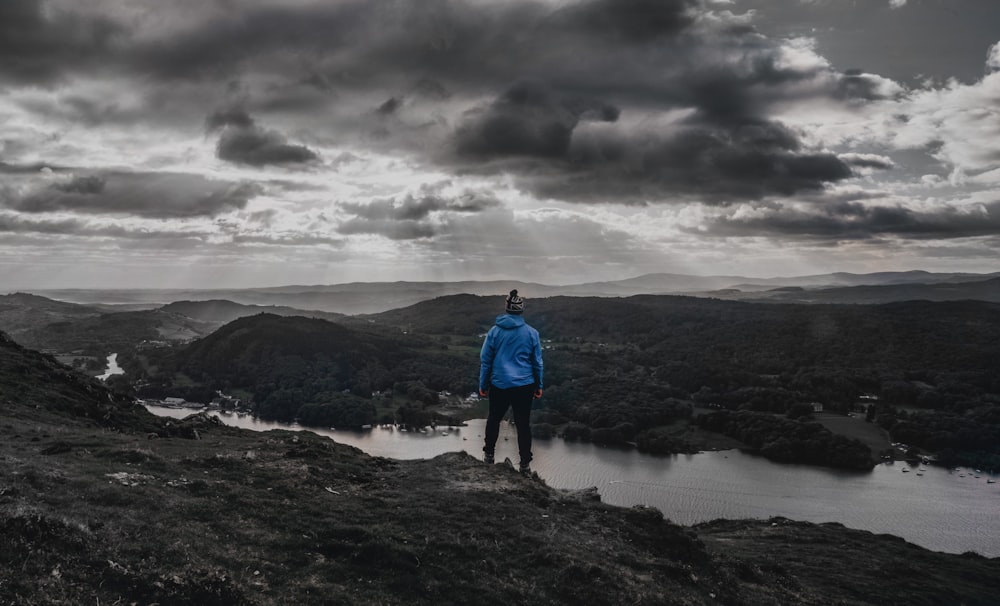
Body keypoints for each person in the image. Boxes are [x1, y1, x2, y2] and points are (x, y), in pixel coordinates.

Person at [479, 289, 543, 473]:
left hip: (499, 384)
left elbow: (486, 360)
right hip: (524, 385)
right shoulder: (532, 333)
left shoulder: (494, 332)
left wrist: (483, 385)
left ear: (507, 309)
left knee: (493, 419)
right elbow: (537, 363)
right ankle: (525, 465)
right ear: (521, 310)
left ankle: (489, 456)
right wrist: (538, 385)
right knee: (523, 424)